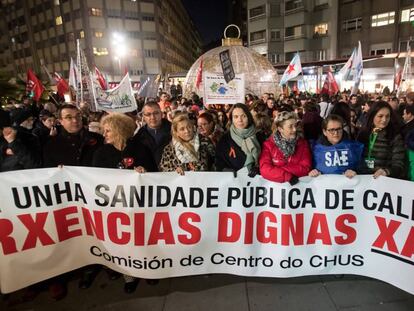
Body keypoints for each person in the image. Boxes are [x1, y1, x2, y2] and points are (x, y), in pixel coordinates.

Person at [92, 113, 156, 293]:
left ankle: (150, 270)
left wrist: (145, 171)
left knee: (144, 239)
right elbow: (93, 179)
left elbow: (154, 172)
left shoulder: (140, 149)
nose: (104, 134)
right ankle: (129, 275)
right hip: (115, 208)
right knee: (124, 243)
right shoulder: (101, 153)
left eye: (108, 131)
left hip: (139, 205)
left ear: (120, 131)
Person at [357, 101, 406, 179]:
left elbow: (399, 164)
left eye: (387, 116)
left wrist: (387, 171)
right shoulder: (363, 134)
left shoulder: (394, 136)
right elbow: (355, 157)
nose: (384, 119)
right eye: (380, 116)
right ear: (373, 116)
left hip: (383, 183)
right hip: (363, 180)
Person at [259, 111, 312, 183]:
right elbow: (265, 169)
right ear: (280, 129)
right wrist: (287, 176)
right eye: (290, 126)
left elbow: (306, 168)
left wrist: (276, 170)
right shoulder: (269, 145)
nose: (295, 129)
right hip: (276, 190)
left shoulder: (303, 143)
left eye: (295, 125)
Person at [215, 103, 261, 176]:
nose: (240, 120)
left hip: (256, 183)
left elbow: (266, 160)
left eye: (243, 116)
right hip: (233, 183)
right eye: (236, 117)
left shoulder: (260, 136)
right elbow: (219, 162)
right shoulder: (225, 139)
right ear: (231, 119)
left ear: (249, 117)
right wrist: (225, 169)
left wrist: (259, 168)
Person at [129, 101, 171, 167]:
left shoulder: (174, 130)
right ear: (143, 116)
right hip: (149, 174)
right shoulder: (138, 137)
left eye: (156, 113)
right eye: (148, 114)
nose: (152, 117)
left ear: (161, 113)